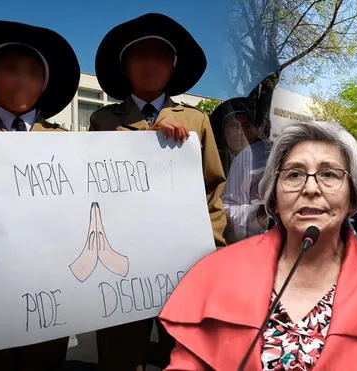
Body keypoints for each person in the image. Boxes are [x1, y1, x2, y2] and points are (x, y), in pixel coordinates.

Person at [159, 121, 357, 369]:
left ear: (353, 195)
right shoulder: (215, 275)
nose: (311, 189)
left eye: (329, 174)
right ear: (273, 197)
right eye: (294, 175)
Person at [88, 13, 227, 370]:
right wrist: (147, 134)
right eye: (140, 56)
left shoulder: (196, 120)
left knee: (184, 352)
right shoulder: (103, 120)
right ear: (124, 67)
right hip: (122, 265)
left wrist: (210, 248)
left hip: (182, 265)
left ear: (172, 67)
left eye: (160, 56)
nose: (150, 64)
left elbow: (213, 188)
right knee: (121, 354)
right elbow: (90, 187)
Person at [0, 19, 80, 370]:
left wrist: (156, 140)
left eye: (32, 72)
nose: (21, 79)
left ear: (43, 85)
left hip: (48, 303)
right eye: (10, 69)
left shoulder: (72, 145)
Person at [212, 97, 273, 243]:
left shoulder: (265, 158)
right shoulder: (212, 161)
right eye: (234, 125)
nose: (241, 132)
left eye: (245, 125)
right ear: (223, 129)